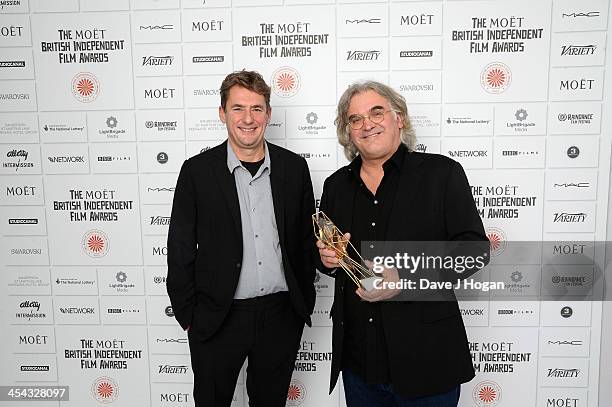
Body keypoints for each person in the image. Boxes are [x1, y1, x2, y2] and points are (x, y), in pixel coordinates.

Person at [315, 81, 488, 406]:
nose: (367, 124)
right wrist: (326, 258)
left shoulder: (442, 174)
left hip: (428, 362)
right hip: (359, 364)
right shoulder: (335, 185)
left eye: (376, 112)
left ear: (400, 119)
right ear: (348, 130)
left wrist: (406, 279)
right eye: (355, 119)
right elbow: (331, 258)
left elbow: (474, 250)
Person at [167, 70, 316, 407]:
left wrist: (301, 302)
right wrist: (188, 314)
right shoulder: (196, 171)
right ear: (222, 113)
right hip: (218, 315)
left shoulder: (294, 169)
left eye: (257, 108)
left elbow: (306, 242)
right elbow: (179, 247)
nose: (248, 119)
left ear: (268, 114)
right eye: (237, 108)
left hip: (280, 315)